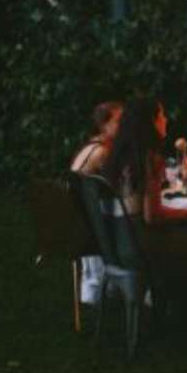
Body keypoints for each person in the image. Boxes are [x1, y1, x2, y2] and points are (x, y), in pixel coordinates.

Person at [103, 98, 187, 329]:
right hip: (138, 246)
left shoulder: (118, 156)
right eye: (162, 115)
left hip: (116, 241)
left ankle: (173, 310)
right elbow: (152, 216)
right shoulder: (150, 158)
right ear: (151, 122)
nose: (165, 120)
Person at [69, 101, 122, 304]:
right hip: (87, 226)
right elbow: (119, 188)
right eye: (119, 121)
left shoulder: (92, 146)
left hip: (77, 217)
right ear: (104, 125)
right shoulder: (102, 152)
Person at [70, 101, 123, 175]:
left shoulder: (98, 144)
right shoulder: (100, 151)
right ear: (104, 125)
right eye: (119, 121)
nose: (124, 124)